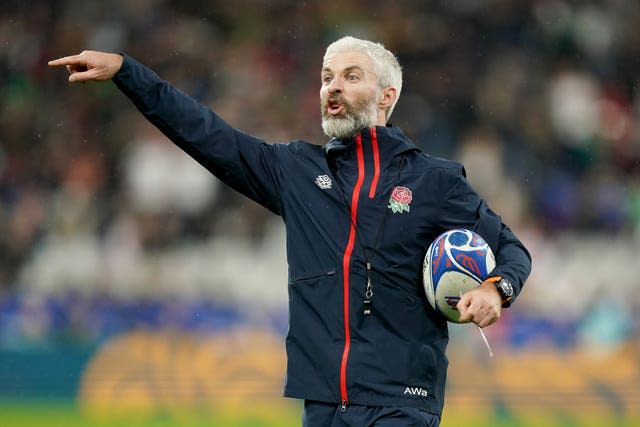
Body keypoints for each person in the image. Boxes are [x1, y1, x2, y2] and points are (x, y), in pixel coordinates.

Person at [49, 36, 531, 427]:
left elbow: (510, 248)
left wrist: (495, 288)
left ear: (387, 97)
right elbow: (204, 132)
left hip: (400, 402)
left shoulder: (435, 180)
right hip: (322, 405)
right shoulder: (295, 171)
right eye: (326, 78)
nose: (332, 88)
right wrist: (127, 72)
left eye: (349, 76)